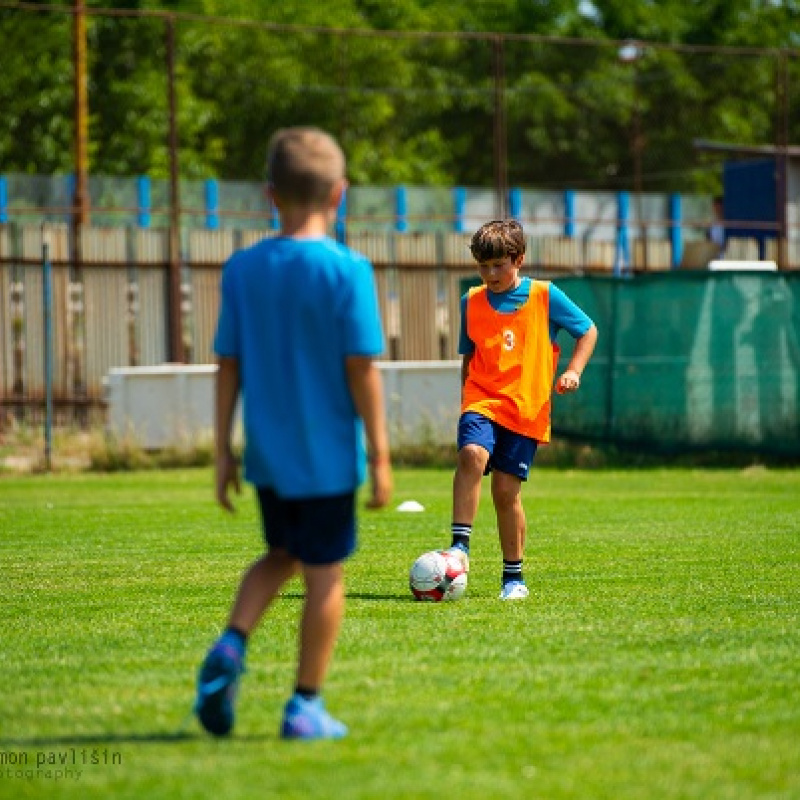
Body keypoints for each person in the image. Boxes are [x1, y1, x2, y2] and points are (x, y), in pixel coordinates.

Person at [194, 127, 392, 741]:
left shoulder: (242, 270)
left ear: (269, 194)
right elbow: (361, 369)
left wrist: (223, 451)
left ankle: (231, 645)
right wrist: (382, 457)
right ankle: (304, 704)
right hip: (329, 460)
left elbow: (227, 365)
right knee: (325, 573)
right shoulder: (348, 271)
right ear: (341, 194)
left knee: (280, 555)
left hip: (270, 459)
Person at [443, 219, 597, 600]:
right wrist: (467, 403)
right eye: (483, 266)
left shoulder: (546, 296)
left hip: (527, 408)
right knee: (471, 454)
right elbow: (470, 356)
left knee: (506, 491)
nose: (490, 274)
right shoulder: (471, 302)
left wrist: (573, 371)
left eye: (499, 265)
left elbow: (587, 330)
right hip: (481, 399)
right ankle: (459, 545)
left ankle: (513, 577)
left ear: (519, 259)